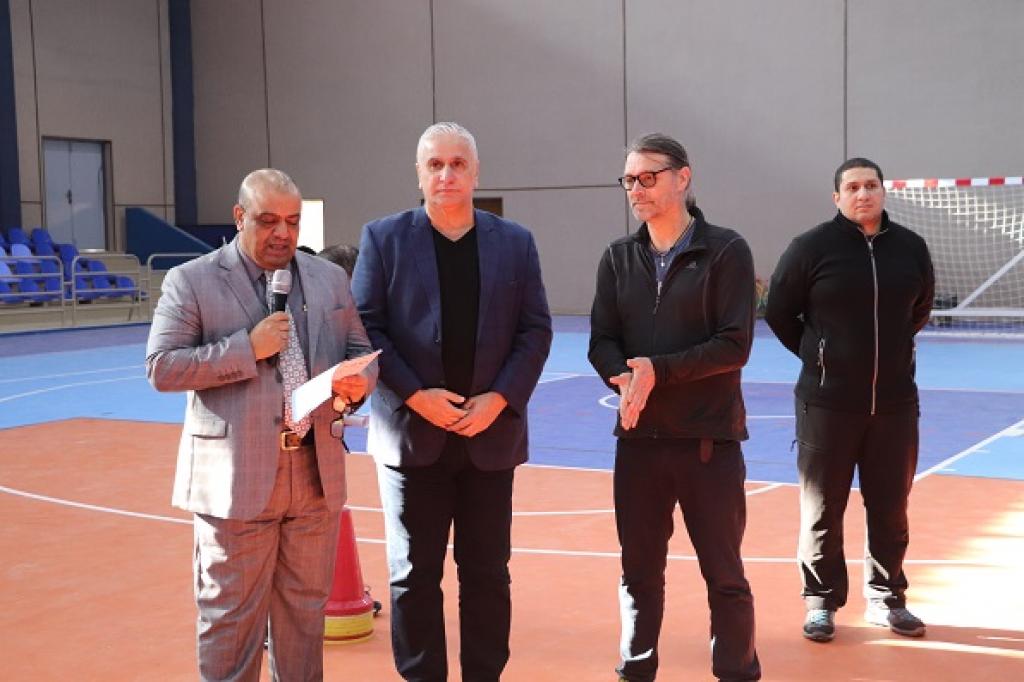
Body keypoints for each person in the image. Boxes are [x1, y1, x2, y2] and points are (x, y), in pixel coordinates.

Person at [146, 168, 378, 681]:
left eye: (292, 222)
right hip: (235, 486)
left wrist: (358, 383)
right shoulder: (192, 280)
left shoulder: (328, 278)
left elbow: (359, 349)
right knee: (230, 625)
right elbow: (161, 368)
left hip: (314, 480)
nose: (282, 233)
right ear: (239, 217)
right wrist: (245, 349)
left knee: (304, 624)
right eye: (268, 220)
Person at [351, 122, 552, 681]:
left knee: (487, 573)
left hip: (489, 437)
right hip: (412, 438)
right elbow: (366, 328)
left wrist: (499, 399)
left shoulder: (515, 242)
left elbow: (535, 330)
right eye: (435, 164)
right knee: (413, 575)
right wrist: (416, 396)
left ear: (476, 172)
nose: (446, 174)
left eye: (457, 164)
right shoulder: (384, 239)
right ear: (419, 174)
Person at [589, 133, 761, 682]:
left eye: (648, 177)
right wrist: (623, 376)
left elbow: (734, 345)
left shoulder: (726, 251)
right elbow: (601, 339)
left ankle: (736, 670)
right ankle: (636, 668)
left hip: (708, 442)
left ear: (682, 178)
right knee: (638, 573)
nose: (636, 189)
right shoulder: (618, 258)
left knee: (724, 575)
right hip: (639, 444)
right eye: (629, 180)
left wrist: (656, 371)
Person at [765, 158, 934, 642]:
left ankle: (887, 598)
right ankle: (821, 602)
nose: (863, 194)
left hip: (895, 404)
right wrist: (818, 356)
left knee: (890, 507)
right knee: (822, 510)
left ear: (883, 191)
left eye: (871, 185)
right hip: (826, 404)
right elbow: (778, 310)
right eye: (853, 187)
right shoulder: (811, 247)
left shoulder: (911, 248)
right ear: (836, 197)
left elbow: (919, 310)